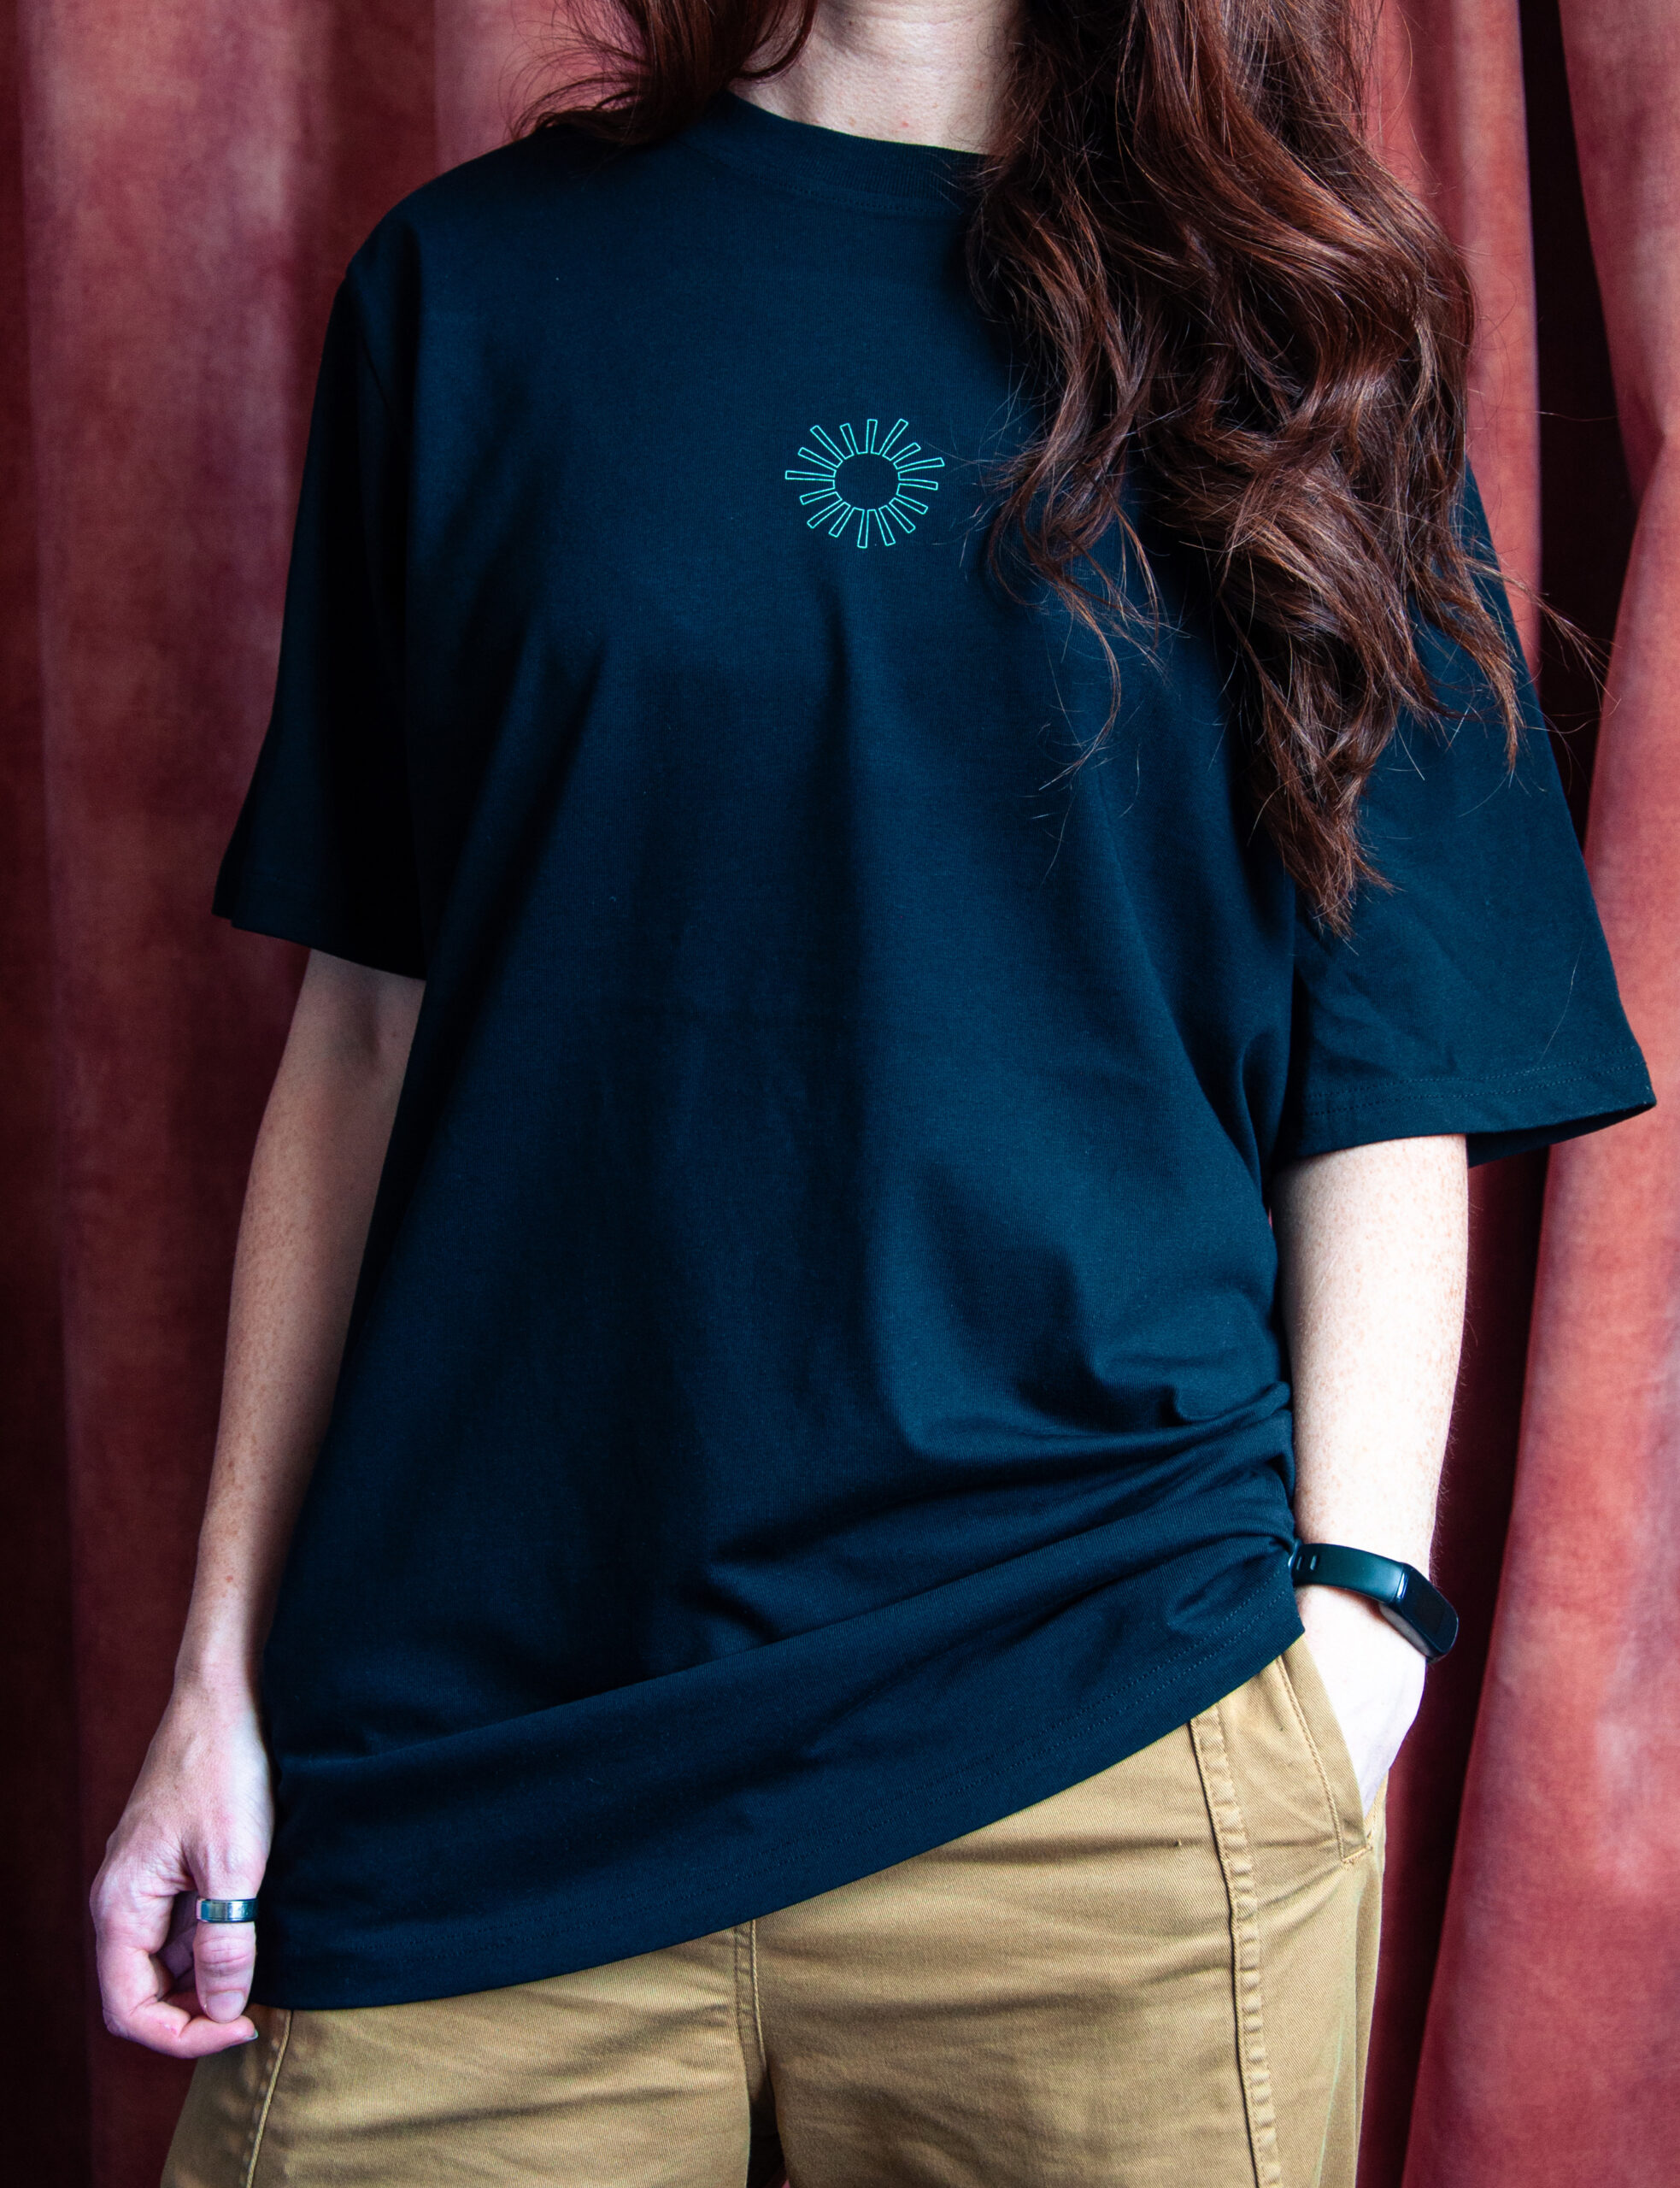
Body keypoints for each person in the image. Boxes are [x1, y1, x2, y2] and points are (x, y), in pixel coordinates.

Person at [95, 0, 1653, 2179]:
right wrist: (218, 1672)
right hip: (476, 1740)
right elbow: (362, 1031)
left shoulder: (1295, 326)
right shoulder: (472, 289)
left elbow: (1382, 1074)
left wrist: (1353, 1626)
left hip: (1096, 1737)